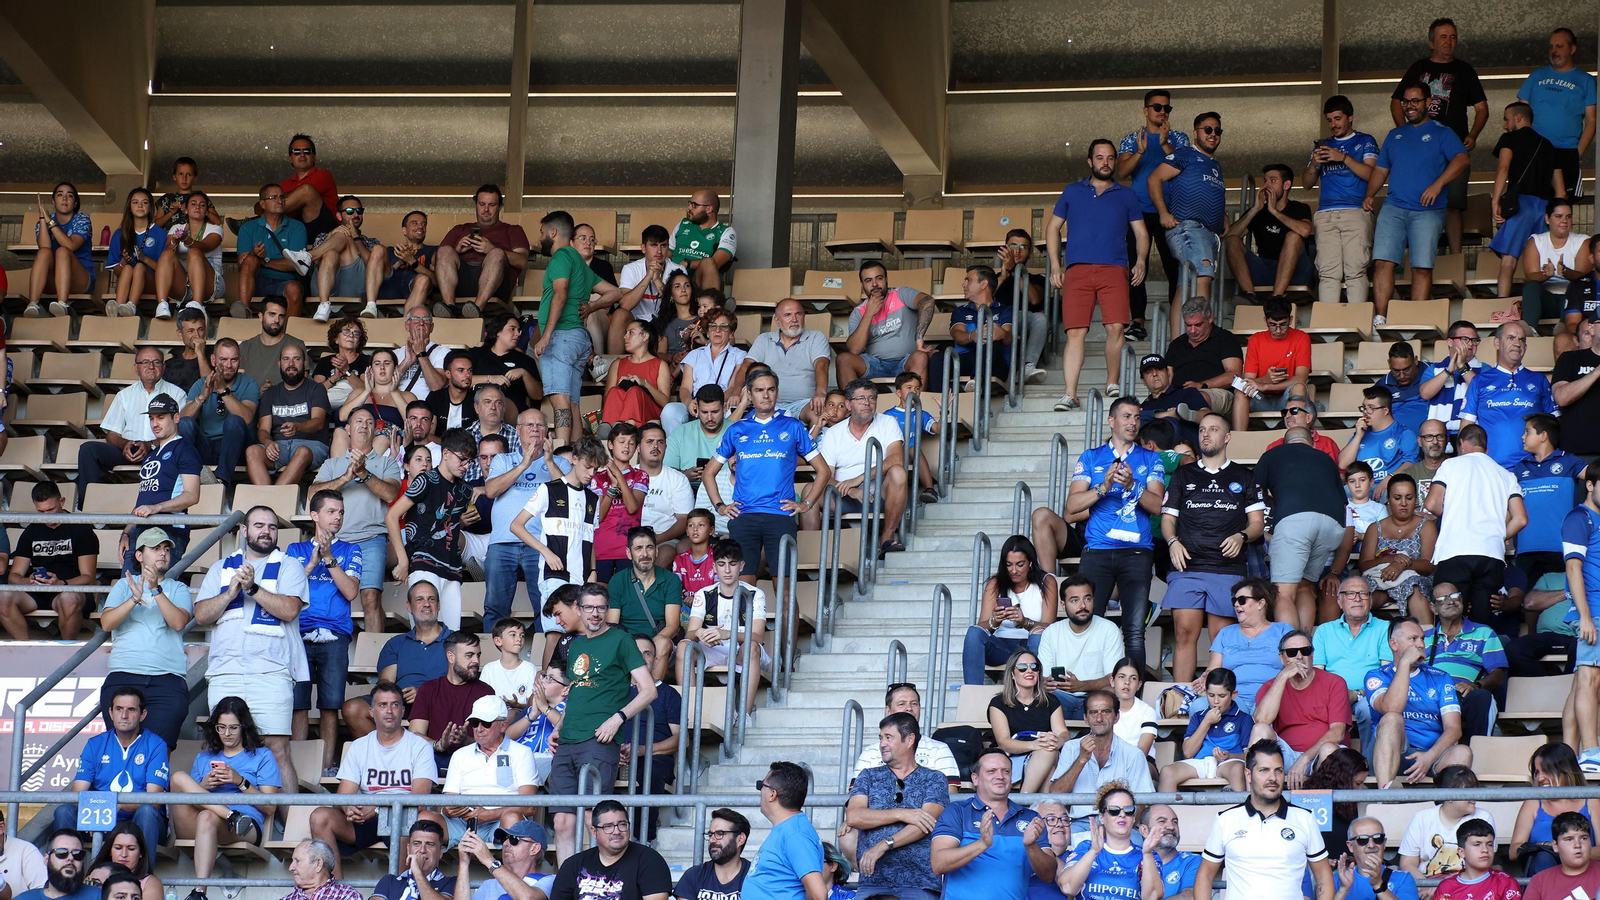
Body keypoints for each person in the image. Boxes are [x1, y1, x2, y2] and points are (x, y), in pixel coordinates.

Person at [193, 506, 310, 805]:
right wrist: (231, 592)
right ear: (244, 531)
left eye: (272, 527)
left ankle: (290, 830)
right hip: (225, 671)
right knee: (225, 745)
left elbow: (290, 610)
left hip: (270, 672)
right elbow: (201, 614)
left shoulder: (289, 566)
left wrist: (253, 588)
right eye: (259, 525)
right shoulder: (221, 568)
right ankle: (232, 818)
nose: (266, 531)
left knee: (277, 748)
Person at [1036, 397, 1163, 662]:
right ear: (1112, 421)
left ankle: (1131, 701)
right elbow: (1071, 506)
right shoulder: (1091, 457)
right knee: (1088, 626)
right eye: (1127, 416)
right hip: (1097, 551)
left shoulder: (1151, 458)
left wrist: (1132, 486)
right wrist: (1103, 487)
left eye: (1137, 417)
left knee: (1134, 631)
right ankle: (1087, 690)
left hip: (1137, 551)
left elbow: (1157, 506)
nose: (1133, 423)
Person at [548, 582, 656, 863]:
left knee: (591, 820)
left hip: (598, 740)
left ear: (608, 610)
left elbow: (648, 690)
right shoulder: (576, 645)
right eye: (589, 607)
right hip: (568, 740)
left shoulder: (621, 640)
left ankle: (599, 881)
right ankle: (569, 887)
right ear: (579, 609)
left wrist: (617, 719)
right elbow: (578, 693)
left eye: (600, 608)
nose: (595, 613)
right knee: (562, 822)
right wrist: (559, 727)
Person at [1162, 412, 1267, 682]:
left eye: (1213, 429)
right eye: (1202, 430)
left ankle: (1220, 701)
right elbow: (1167, 519)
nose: (1206, 434)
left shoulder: (1244, 476)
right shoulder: (1183, 474)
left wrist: (1242, 536)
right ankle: (1181, 697)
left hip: (1227, 569)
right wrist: (1172, 541)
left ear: (1227, 437)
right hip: (1188, 566)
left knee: (1222, 641)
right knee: (1184, 633)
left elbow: (1257, 523)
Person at [702, 370, 831, 586]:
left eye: (770, 389)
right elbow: (708, 473)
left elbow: (823, 471)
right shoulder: (737, 429)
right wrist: (720, 506)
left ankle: (786, 622)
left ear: (777, 393)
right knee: (741, 589)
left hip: (779, 515)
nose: (766, 395)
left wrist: (806, 504)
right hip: (744, 517)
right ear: (749, 395)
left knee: (785, 590)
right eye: (759, 390)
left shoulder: (793, 426)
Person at [1045, 139, 1146, 409]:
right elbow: (1052, 228)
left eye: (1111, 158)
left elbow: (1141, 232)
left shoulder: (1126, 195)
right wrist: (1056, 265)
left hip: (1114, 268)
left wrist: (1142, 261)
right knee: (1075, 332)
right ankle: (1070, 393)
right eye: (1100, 158)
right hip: (1077, 269)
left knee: (1116, 327)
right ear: (1090, 161)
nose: (1106, 162)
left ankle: (1112, 382)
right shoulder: (1072, 191)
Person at [1367, 82, 1471, 323]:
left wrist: (1438, 184)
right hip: (1394, 207)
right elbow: (1381, 170)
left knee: (1421, 267)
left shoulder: (1442, 132)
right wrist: (1369, 194)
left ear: (1427, 103)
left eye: (1415, 101)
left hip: (1428, 211)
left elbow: (1462, 159)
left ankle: (1414, 320)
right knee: (1382, 262)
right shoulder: (1395, 134)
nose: (1409, 106)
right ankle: (1380, 318)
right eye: (1405, 101)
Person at [313, 681, 437, 878]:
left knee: (411, 823)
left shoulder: (420, 746)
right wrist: (349, 808)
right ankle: (335, 891)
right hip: (366, 818)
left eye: (395, 705)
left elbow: (419, 802)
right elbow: (343, 796)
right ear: (371, 712)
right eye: (382, 705)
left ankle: (400, 891)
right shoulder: (360, 746)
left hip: (403, 818)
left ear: (403, 711)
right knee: (320, 817)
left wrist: (379, 808)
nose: (389, 710)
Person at [1390, 19, 1488, 257]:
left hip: (1452, 149)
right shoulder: (1418, 68)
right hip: (1421, 151)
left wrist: (1473, 135)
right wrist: (1406, 133)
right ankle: (1421, 258)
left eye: (1453, 37)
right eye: (1443, 36)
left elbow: (1482, 108)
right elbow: (1396, 102)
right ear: (1431, 42)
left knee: (1454, 205)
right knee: (1418, 203)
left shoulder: (1465, 70)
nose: (1449, 41)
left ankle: (1454, 259)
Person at [169, 696, 281, 894]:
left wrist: (240, 782)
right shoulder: (204, 758)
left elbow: (270, 807)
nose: (227, 734)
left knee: (207, 816)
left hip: (244, 824)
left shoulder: (262, 756)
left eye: (233, 728)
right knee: (178, 777)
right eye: (221, 727)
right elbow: (189, 800)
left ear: (244, 726)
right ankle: (229, 815)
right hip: (198, 822)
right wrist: (203, 785)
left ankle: (199, 892)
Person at [1195, 740, 1332, 900]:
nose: (1273, 778)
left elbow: (1323, 876)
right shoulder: (1225, 820)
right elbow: (1205, 875)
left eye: (1278, 770)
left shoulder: (1305, 818)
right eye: (1264, 770)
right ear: (1248, 775)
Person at [286, 491, 362, 775]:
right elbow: (287, 591)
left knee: (331, 706)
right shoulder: (294, 550)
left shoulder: (351, 550)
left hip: (335, 634)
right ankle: (297, 768)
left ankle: (328, 767)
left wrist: (329, 558)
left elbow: (351, 591)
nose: (338, 517)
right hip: (300, 633)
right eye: (331, 511)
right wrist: (312, 562)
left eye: (341, 512)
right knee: (299, 705)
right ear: (314, 515)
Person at [309, 407, 403, 629]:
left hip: (372, 539)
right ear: (348, 429)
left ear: (374, 431)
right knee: (330, 597)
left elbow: (390, 494)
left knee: (370, 597)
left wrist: (364, 474)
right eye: (359, 421)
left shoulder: (385, 463)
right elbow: (313, 495)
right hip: (336, 540)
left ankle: (372, 659)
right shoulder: (333, 464)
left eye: (370, 422)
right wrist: (346, 476)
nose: (364, 425)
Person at [534, 210, 621, 446]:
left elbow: (560, 293)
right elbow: (615, 293)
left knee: (560, 401)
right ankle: (575, 453)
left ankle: (562, 454)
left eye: (542, 233)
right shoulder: (580, 263)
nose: (540, 238)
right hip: (579, 340)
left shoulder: (561, 256)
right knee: (572, 402)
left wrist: (546, 336)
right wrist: (592, 307)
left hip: (561, 339)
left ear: (553, 232)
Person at [1426, 424, 1528, 625]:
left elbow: (1431, 504)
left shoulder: (1449, 465)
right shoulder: (1506, 475)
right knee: (1482, 617)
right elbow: (1521, 519)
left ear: (1461, 444)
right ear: (1485, 449)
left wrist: (1452, 519)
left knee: (1450, 615)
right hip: (1490, 554)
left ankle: (1452, 656)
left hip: (1455, 552)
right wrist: (1498, 535)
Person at [931, 751, 1062, 900]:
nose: (1000, 776)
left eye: (1006, 771)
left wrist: (1031, 846)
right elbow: (938, 864)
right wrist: (982, 844)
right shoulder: (957, 811)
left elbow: (1049, 875)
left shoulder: (1031, 817)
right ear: (975, 779)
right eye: (991, 771)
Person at [53, 687, 168, 851]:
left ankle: (142, 876)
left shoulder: (156, 745)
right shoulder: (96, 744)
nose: (124, 715)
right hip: (99, 817)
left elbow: (153, 802)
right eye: (119, 709)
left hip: (139, 823)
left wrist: (115, 805)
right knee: (65, 811)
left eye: (131, 710)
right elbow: (77, 793)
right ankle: (66, 871)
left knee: (147, 812)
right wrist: (96, 813)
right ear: (111, 713)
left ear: (143, 715)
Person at [1257, 427, 1349, 629]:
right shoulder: (1326, 459)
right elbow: (1344, 501)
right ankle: (1305, 648)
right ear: (1312, 443)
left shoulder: (1273, 454)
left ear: (1285, 443)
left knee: (1283, 593)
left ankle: (1291, 652)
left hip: (1296, 521)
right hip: (1333, 526)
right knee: (1305, 586)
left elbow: (1254, 491)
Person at [483, 409, 567, 632]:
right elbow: (490, 491)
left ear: (547, 432)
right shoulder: (503, 459)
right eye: (529, 425)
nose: (535, 429)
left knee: (545, 606)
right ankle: (492, 658)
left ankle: (545, 661)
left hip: (540, 545)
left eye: (540, 425)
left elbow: (567, 497)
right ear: (518, 430)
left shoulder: (559, 463)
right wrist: (524, 464)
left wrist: (548, 462)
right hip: (502, 542)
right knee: (495, 607)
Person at [805, 379, 911, 554]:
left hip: (880, 495)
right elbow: (826, 475)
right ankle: (810, 551)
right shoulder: (833, 433)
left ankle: (886, 538)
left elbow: (897, 459)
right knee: (810, 489)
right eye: (861, 398)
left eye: (871, 398)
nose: (867, 403)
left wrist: (860, 479)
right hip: (844, 496)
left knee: (898, 472)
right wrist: (851, 490)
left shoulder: (887, 422)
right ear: (848, 404)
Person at [388, 428, 480, 630]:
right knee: (424, 631)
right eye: (462, 460)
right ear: (445, 454)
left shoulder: (465, 490)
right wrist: (403, 560)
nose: (466, 466)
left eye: (469, 461)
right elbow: (392, 516)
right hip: (423, 563)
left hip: (452, 567)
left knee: (452, 636)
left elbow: (448, 522)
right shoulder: (426, 480)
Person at [1366, 618, 1473, 787]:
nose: (1421, 644)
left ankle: (1448, 808)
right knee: (1392, 718)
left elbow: (1454, 728)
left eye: (1422, 638)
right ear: (1394, 644)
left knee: (1463, 752)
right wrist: (1405, 664)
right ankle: (1386, 795)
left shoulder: (1440, 677)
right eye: (1413, 639)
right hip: (1389, 753)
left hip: (1430, 755)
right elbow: (1391, 708)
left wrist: (1429, 757)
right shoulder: (1377, 675)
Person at [77, 346, 187, 508]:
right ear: (136, 368)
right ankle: (85, 508)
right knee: (88, 449)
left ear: (164, 367)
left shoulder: (177, 394)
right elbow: (112, 435)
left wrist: (150, 445)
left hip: (160, 450)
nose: (151, 366)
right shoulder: (124, 395)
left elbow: (178, 431)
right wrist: (124, 444)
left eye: (156, 362)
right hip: (129, 450)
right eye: (145, 362)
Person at [1148, 113, 1227, 335]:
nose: (1213, 135)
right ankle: (1201, 342)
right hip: (1189, 229)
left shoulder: (1215, 165)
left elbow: (1210, 194)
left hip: (1207, 233)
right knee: (1203, 277)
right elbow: (1154, 179)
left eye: (1217, 131)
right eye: (1207, 130)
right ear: (1195, 133)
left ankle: (1177, 344)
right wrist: (1163, 213)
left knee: (1186, 286)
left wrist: (1223, 217)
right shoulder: (1184, 154)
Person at [1117, 90, 1188, 331]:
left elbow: (1186, 168)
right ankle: (1137, 320)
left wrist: (1165, 143)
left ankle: (1175, 320)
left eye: (1167, 108)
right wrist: (1140, 151)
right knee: (1137, 264)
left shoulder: (1179, 138)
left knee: (1173, 265)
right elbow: (1122, 172)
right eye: (1157, 107)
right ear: (1145, 110)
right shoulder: (1131, 138)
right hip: (1138, 210)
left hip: (1171, 209)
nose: (1162, 112)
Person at [1250, 629, 1352, 788]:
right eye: (1291, 652)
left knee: (1329, 748)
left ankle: (1326, 809)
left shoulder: (1335, 682)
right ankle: (1254, 803)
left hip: (1322, 755)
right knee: (1259, 730)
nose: (1299, 656)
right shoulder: (1271, 686)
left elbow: (1337, 732)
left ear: (1312, 654)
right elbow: (1261, 720)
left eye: (1305, 651)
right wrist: (1283, 676)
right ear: (1282, 658)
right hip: (1284, 756)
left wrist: (1304, 758)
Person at [1304, 95, 1380, 306]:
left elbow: (1374, 175)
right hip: (1326, 213)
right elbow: (1307, 184)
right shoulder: (1323, 145)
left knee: (1355, 270)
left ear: (1350, 117)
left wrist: (1344, 158)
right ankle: (1329, 328)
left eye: (1337, 118)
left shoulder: (1365, 140)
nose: (1333, 125)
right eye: (1329, 120)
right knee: (1327, 272)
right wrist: (1314, 165)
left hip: (1356, 211)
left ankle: (1357, 323)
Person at [1046, 691, 1155, 836]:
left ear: (1116, 717)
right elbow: (1056, 794)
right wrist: (1081, 759)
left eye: (1106, 712)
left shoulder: (1133, 754)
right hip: (1079, 824)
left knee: (1135, 845)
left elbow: (1142, 803)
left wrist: (1116, 827)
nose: (1099, 718)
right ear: (1085, 718)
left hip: (1121, 823)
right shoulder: (1071, 748)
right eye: (1093, 712)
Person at [1490, 104, 1566, 303]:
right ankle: (1540, 306)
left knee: (1509, 261)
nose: (1505, 125)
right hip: (1545, 209)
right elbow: (1560, 191)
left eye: (1506, 119)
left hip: (1520, 205)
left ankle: (1503, 307)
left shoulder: (1509, 139)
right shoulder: (1549, 146)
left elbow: (1503, 168)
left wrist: (1495, 200)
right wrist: (1560, 218)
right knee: (1541, 264)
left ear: (1517, 118)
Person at [0, 482, 95, 640]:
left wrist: (61, 584)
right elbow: (14, 575)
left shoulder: (81, 529)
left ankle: (67, 655)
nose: (47, 516)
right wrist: (26, 581)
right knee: (2, 597)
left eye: (51, 510)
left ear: (62, 502)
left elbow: (88, 577)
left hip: (69, 589)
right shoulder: (32, 530)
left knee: (69, 598)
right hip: (37, 591)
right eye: (41, 511)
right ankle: (27, 650)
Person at [440, 695, 538, 846]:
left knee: (512, 819)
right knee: (425, 820)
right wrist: (449, 809)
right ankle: (415, 870)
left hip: (501, 822)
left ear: (503, 726)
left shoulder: (522, 752)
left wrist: (490, 814)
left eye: (485, 723)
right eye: (474, 723)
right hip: (461, 822)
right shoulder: (460, 754)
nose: (479, 729)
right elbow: (447, 802)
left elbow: (530, 806)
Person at [1314, 577, 1393, 762]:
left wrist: (1357, 694)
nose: (1357, 598)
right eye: (1350, 594)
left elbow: (1387, 673)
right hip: (1331, 696)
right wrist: (1338, 694)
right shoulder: (1324, 631)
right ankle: (1330, 766)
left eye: (1363, 593)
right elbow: (1318, 674)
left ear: (1370, 600)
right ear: (1339, 601)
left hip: (1370, 694)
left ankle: (1368, 764)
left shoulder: (1385, 628)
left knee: (1368, 708)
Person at [964, 536, 1059, 684]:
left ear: (1031, 563)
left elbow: (1051, 628)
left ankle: (1040, 693)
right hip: (1001, 646)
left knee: (1038, 635)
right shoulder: (995, 583)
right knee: (973, 632)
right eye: (1009, 565)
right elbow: (981, 627)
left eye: (1020, 564)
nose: (1014, 570)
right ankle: (972, 692)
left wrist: (1025, 622)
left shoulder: (1046, 582)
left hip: (1032, 645)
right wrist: (994, 620)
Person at [1192, 578, 1293, 715]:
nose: (1236, 605)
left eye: (1242, 600)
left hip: (1273, 697)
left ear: (1261, 603)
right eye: (1235, 601)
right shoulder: (1225, 633)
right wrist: (1207, 676)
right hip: (1233, 698)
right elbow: (1214, 669)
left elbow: (1295, 665)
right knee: (1197, 706)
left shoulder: (1282, 631)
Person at [431, 185, 530, 318]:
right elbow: (434, 261)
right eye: (482, 204)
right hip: (461, 282)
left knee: (496, 253)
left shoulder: (513, 230)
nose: (486, 209)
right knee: (444, 251)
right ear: (476, 204)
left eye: (492, 205)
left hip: (496, 286)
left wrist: (491, 249)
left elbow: (522, 261)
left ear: (500, 206)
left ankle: (476, 309)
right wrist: (456, 250)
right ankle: (450, 308)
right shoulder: (459, 229)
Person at [1053, 783, 1163, 900]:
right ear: (1101, 817)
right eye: (1114, 810)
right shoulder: (1086, 848)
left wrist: (1147, 854)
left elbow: (1153, 897)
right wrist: (1093, 852)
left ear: (1134, 817)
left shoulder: (1148, 855)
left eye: (1129, 810)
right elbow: (1067, 888)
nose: (1122, 815)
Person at [1519, 28, 1596, 193]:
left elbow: (1591, 121)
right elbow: (1520, 113)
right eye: (1551, 47)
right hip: (1536, 149)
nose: (1554, 51)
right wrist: (1524, 146)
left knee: (1562, 208)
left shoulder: (1586, 81)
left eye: (1559, 46)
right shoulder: (1536, 76)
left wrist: (1577, 153)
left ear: (1572, 49)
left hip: (1566, 151)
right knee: (1532, 202)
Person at [836, 261, 935, 390]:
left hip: (905, 361)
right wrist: (869, 314)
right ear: (862, 284)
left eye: (879, 278)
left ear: (886, 279)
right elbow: (854, 350)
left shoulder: (901, 294)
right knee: (843, 359)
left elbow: (927, 301)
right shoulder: (858, 312)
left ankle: (915, 408)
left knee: (921, 357)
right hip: (874, 363)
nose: (875, 284)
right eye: (868, 280)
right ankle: (852, 408)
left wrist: (919, 337)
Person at [245, 343, 333, 486]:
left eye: (296, 359)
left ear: (304, 363)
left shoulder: (316, 389)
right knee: (252, 451)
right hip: (279, 447)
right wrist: (268, 442)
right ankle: (268, 500)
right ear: (279, 364)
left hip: (311, 446)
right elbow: (263, 429)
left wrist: (297, 427)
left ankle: (273, 501)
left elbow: (318, 422)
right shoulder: (270, 393)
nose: (291, 364)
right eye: (286, 359)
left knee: (302, 452)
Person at [1036, 577, 1123, 719]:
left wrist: (1081, 686)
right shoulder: (1051, 632)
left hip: (1095, 699)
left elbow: (1113, 678)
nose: (1082, 606)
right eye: (1075, 600)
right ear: (1063, 605)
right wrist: (1046, 683)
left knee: (1111, 692)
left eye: (1087, 599)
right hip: (1060, 698)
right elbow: (1044, 676)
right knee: (1035, 693)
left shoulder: (1108, 629)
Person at [548, 799, 672, 900]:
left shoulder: (649, 860)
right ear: (594, 832)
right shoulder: (573, 865)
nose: (617, 831)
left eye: (622, 824)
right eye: (608, 826)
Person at [591, 223, 684, 357]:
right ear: (643, 248)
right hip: (637, 320)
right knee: (619, 314)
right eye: (653, 245)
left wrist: (657, 280)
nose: (659, 251)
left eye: (663, 245)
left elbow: (678, 304)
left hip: (667, 320)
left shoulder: (678, 270)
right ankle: (612, 364)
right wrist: (648, 277)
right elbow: (625, 305)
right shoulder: (631, 269)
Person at [1509, 743, 1600, 876]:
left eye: (1546, 771)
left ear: (1566, 770)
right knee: (1543, 858)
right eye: (1537, 772)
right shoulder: (1533, 803)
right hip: (1543, 871)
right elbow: (1513, 851)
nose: (1540, 778)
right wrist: (1546, 848)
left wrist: (1567, 852)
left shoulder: (1591, 802)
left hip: (1582, 873)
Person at [179, 338, 260, 487]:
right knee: (186, 423)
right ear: (213, 360)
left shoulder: (250, 384)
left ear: (240, 360)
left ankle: (221, 481)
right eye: (223, 359)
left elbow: (246, 418)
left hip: (238, 448)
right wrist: (202, 397)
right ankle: (185, 477)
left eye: (234, 360)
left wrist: (222, 390)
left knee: (234, 421)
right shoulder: (201, 384)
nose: (229, 365)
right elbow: (181, 422)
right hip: (207, 447)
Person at [1226, 164, 1315, 299]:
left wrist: (1274, 211)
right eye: (1265, 181)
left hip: (1296, 273)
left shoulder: (1299, 208)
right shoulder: (1259, 211)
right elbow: (1230, 236)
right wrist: (1255, 209)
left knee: (1293, 236)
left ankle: (1276, 298)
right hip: (1265, 270)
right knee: (1232, 240)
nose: (1267, 185)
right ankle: (1250, 296)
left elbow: (1305, 230)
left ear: (1286, 185)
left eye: (1273, 180)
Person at [608, 527, 684, 682]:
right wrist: (633, 648)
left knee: (662, 643)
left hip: (658, 644)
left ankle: (652, 696)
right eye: (638, 548)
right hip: (627, 645)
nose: (644, 554)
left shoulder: (670, 580)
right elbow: (613, 625)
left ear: (656, 551)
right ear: (629, 553)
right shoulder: (618, 581)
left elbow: (672, 625)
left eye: (649, 547)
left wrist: (649, 647)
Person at [1515, 414, 1583, 585]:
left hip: (1559, 549)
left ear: (1543, 435)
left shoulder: (1568, 461)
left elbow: (1595, 479)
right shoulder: (1520, 467)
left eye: (1527, 432)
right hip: (1525, 550)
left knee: (1557, 602)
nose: (1523, 437)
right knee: (1521, 603)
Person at [988, 649, 1068, 794]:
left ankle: (1026, 802)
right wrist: (1035, 744)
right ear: (1012, 674)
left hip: (1045, 756)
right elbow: (1003, 742)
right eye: (1023, 668)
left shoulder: (1051, 701)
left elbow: (1063, 733)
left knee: (1050, 750)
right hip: (1011, 756)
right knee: (1048, 750)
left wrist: (1056, 741)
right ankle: (1030, 801)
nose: (1029, 671)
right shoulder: (998, 703)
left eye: (1034, 667)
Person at [1358, 474, 1437, 618]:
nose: (1403, 503)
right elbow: (1364, 565)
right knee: (1359, 595)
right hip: (1381, 581)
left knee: (1415, 588)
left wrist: (1401, 565)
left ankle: (1427, 638)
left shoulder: (1426, 526)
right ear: (1388, 499)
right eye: (1397, 498)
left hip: (1415, 581)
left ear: (1416, 499)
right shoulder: (1375, 528)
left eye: (1409, 497)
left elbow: (1429, 565)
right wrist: (1390, 560)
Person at [410, 631, 494, 766]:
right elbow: (414, 734)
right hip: (433, 760)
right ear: (451, 657)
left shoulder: (486, 692)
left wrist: (466, 741)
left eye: (478, 655)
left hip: (473, 762)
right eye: (469, 656)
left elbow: (493, 742)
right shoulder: (429, 689)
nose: (476, 661)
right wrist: (440, 745)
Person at [1159, 668, 1251, 792]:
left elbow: (1249, 756)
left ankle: (1238, 809)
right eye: (1211, 695)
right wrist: (1206, 722)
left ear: (1233, 694)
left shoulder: (1244, 719)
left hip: (1229, 763)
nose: (1216, 701)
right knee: (1167, 772)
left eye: (1222, 696)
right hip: (1200, 762)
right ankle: (1167, 811)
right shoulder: (1198, 717)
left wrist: (1229, 756)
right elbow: (1188, 752)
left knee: (1238, 769)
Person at [1397, 766, 1494, 881]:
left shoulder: (1484, 817)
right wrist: (1426, 886)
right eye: (1468, 790)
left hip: (1467, 885)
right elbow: (1407, 863)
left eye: (1475, 790)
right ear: (1449, 795)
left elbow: (1484, 864)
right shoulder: (1422, 818)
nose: (1475, 796)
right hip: (1427, 885)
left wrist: (1446, 887)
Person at [1522, 200, 1593, 356]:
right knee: (1531, 287)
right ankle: (1531, 331)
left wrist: (1566, 272)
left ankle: (1563, 329)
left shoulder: (1582, 241)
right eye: (1559, 216)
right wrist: (1545, 275)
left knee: (1574, 287)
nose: (1564, 221)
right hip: (1546, 299)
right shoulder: (1536, 241)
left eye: (1568, 216)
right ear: (1547, 219)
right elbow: (1530, 276)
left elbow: (1583, 274)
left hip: (1571, 298)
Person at [1563, 464, 1600, 758]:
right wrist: (1585, 616)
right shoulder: (1580, 517)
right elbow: (1573, 567)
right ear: (1590, 485)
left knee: (1579, 685)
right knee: (1591, 679)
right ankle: (1591, 754)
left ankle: (1568, 755)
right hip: (1594, 612)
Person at [664, 307, 748, 435]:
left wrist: (712, 404)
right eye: (713, 326)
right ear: (707, 332)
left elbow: (732, 388)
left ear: (731, 333)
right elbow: (685, 388)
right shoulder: (694, 355)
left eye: (723, 326)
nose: (717, 330)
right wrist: (689, 402)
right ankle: (678, 450)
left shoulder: (740, 355)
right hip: (696, 405)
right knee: (670, 410)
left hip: (723, 405)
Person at [746, 299, 831, 423]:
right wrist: (736, 393)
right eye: (787, 315)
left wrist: (820, 393)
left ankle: (813, 443)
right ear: (777, 320)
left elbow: (822, 365)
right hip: (767, 402)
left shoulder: (816, 337)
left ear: (804, 316)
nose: (794, 319)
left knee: (818, 413)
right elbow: (746, 366)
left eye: (798, 314)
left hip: (804, 403)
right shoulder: (764, 339)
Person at [1235, 298, 1314, 432]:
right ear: (1265, 321)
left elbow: (1301, 378)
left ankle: (1298, 437)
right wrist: (1265, 379)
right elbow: (1249, 380)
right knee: (1241, 390)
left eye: (1283, 325)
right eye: (1272, 325)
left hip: (1286, 399)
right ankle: (1238, 438)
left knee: (1299, 387)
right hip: (1261, 398)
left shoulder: (1301, 338)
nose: (1278, 330)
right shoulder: (1256, 340)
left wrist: (1266, 385)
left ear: (1290, 319)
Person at [932, 266, 1013, 394]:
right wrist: (972, 336)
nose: (963, 284)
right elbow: (957, 334)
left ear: (983, 284)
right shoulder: (961, 311)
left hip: (994, 361)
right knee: (938, 358)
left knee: (991, 341)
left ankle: (977, 380)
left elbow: (1009, 338)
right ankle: (949, 402)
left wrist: (1001, 334)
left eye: (968, 280)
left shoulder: (1005, 310)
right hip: (966, 359)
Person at [236, 183, 309, 317]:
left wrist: (265, 261)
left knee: (295, 288)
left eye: (282, 197)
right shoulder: (247, 228)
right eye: (273, 197)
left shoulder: (297, 227)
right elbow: (242, 265)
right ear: (262, 204)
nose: (279, 201)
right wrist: (254, 255)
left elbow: (296, 264)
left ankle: (289, 333)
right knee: (250, 260)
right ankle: (244, 312)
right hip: (255, 282)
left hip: (285, 282)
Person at [1163, 298, 1244, 419]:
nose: (1193, 330)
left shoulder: (1225, 339)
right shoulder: (1177, 344)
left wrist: (1202, 385)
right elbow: (1167, 377)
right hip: (1179, 395)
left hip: (1215, 392)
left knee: (1194, 398)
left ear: (1210, 318)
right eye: (1188, 325)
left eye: (1198, 324)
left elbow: (1234, 375)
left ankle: (1188, 415)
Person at [1305, 817, 1420, 900]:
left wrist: (1378, 885)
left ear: (1384, 843)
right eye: (1362, 840)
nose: (1371, 845)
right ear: (1350, 846)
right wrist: (1343, 889)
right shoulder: (1336, 880)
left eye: (1377, 838)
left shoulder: (1403, 878)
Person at [307, 196, 381, 322]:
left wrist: (356, 238)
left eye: (359, 211)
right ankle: (324, 305)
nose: (356, 215)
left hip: (356, 287)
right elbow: (316, 266)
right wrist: (332, 235)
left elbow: (373, 268)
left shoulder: (370, 242)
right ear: (339, 216)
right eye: (350, 211)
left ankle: (307, 256)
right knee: (330, 254)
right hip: (324, 287)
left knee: (345, 234)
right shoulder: (323, 237)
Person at [25, 183, 93, 319]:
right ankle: (33, 304)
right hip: (52, 281)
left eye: (70, 195)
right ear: (53, 201)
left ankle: (62, 304)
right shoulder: (43, 221)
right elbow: (44, 247)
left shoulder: (82, 219)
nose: (64, 198)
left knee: (63, 251)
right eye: (60, 195)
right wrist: (43, 217)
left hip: (80, 280)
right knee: (44, 252)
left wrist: (50, 221)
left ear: (75, 203)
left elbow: (71, 245)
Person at [590, 425, 649, 582]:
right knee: (600, 596)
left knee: (626, 596)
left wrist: (618, 476)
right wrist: (612, 487)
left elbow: (632, 508)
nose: (626, 446)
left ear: (637, 448)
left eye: (631, 442)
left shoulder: (640, 475)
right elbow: (599, 517)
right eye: (621, 441)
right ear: (610, 444)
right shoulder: (598, 478)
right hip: (602, 547)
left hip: (629, 548)